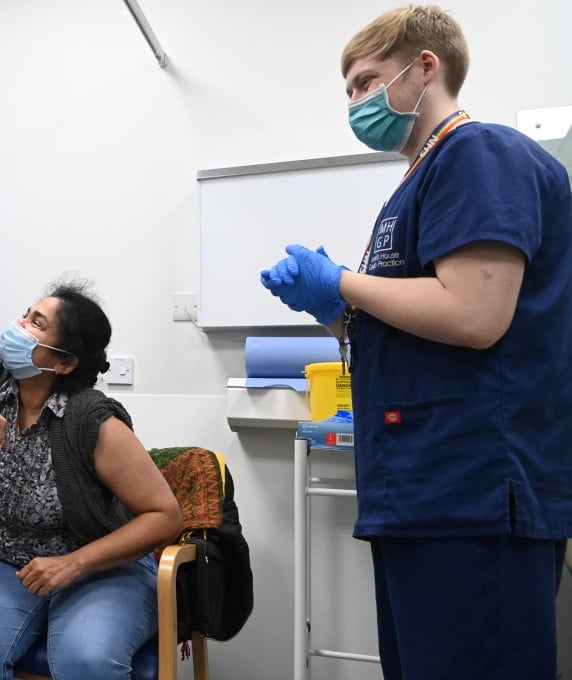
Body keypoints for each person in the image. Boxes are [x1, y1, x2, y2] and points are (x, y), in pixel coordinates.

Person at [259, 6, 571, 679]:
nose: (356, 102)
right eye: (348, 90)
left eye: (367, 81)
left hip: (474, 490)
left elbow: (476, 313)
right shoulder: (416, 180)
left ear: (424, 66)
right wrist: (332, 311)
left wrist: (342, 281)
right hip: (421, 489)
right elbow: (412, 323)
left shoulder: (479, 152)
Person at [0, 279, 182, 680]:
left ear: (64, 363)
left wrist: (73, 563)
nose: (18, 325)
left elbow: (164, 516)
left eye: (36, 324)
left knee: (86, 659)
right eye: (26, 314)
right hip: (7, 564)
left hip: (101, 568)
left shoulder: (92, 421)